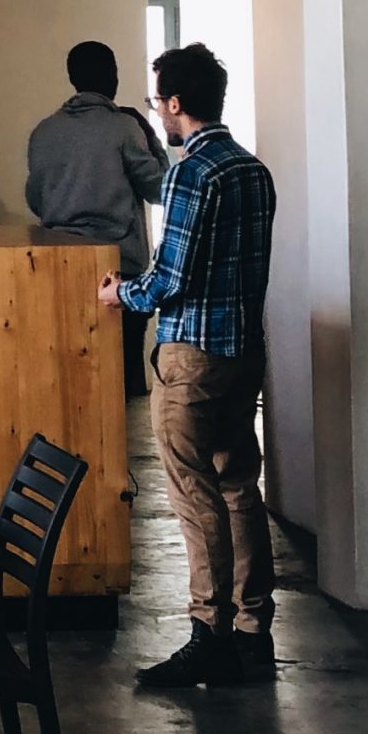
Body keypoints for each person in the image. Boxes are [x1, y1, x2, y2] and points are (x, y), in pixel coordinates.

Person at [101, 42, 278, 689]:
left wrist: (120, 293)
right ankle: (255, 632)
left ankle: (210, 632)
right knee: (239, 487)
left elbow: (170, 278)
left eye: (158, 102)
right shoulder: (254, 171)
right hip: (243, 351)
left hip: (192, 356)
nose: (160, 113)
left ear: (175, 105)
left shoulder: (190, 174)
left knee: (193, 490)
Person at [25, 41, 168, 278]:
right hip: (119, 265)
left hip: (59, 262)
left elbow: (35, 200)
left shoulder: (44, 131)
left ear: (73, 79)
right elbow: (160, 189)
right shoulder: (124, 127)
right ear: (114, 76)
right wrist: (150, 136)